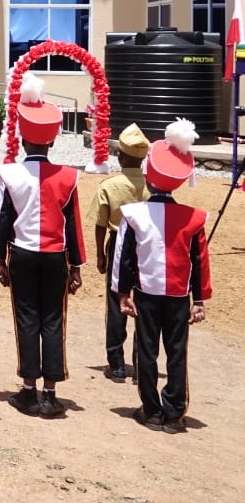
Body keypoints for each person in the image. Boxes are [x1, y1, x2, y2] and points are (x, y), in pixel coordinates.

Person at [0, 72, 84, 418]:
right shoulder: (69, 177)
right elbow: (73, 225)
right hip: (56, 256)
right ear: (53, 141)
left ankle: (29, 389)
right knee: (54, 321)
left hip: (22, 254)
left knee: (26, 319)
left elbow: (2, 221)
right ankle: (50, 394)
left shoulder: (9, 174)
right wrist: (77, 266)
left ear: (22, 138)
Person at [112, 118, 212, 434]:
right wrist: (200, 300)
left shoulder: (133, 214)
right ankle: (174, 412)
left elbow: (124, 257)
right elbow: (200, 261)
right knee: (177, 353)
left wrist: (122, 293)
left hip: (146, 293)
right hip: (180, 296)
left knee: (147, 351)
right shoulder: (194, 219)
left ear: (148, 175)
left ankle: (152, 410)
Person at [93, 122, 148, 383]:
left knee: (117, 302)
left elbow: (100, 223)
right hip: (146, 247)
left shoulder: (109, 185)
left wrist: (100, 255)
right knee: (144, 304)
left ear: (120, 157)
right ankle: (141, 365)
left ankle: (116, 364)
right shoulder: (152, 186)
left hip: (118, 244)